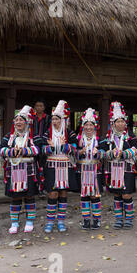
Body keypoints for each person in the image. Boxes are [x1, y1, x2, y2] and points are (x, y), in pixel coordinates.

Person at [0, 105, 40, 234]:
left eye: (21, 120)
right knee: (15, 198)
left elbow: (37, 150)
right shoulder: (8, 137)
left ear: (26, 122)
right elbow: (1, 150)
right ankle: (14, 223)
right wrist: (11, 151)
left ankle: (29, 221)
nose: (18, 122)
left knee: (29, 197)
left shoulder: (33, 136)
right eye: (16, 120)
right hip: (14, 172)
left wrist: (23, 150)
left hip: (29, 171)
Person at [99, 102, 137, 230]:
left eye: (122, 121)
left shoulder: (130, 136)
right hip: (113, 169)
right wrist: (110, 153)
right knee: (116, 195)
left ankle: (129, 218)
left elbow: (136, 149)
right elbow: (101, 152)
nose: (120, 124)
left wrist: (123, 153)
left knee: (126, 194)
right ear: (114, 123)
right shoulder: (108, 138)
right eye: (118, 122)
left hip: (127, 168)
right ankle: (118, 219)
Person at [42, 100, 78, 233]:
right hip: (51, 166)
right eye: (53, 119)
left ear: (62, 120)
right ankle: (50, 221)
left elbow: (75, 148)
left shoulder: (69, 133)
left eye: (57, 119)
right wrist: (49, 148)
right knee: (52, 193)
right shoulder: (47, 133)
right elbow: (41, 148)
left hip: (66, 165)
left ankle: (61, 221)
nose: (54, 121)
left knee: (63, 192)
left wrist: (64, 146)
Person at [76, 108, 105, 230]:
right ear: (83, 127)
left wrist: (98, 153)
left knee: (94, 195)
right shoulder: (78, 140)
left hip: (95, 171)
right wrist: (80, 152)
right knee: (84, 195)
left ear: (95, 127)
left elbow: (105, 153)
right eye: (86, 125)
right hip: (82, 171)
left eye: (91, 125)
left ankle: (97, 220)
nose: (88, 127)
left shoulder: (100, 140)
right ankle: (86, 220)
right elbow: (72, 154)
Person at [33, 99, 52, 195]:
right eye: (37, 105)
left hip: (45, 145)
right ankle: (36, 186)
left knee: (44, 166)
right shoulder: (32, 118)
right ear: (35, 107)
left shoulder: (49, 118)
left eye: (41, 106)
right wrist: (36, 140)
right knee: (35, 165)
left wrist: (43, 140)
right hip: (34, 146)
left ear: (44, 108)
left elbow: (50, 131)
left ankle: (44, 186)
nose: (39, 107)